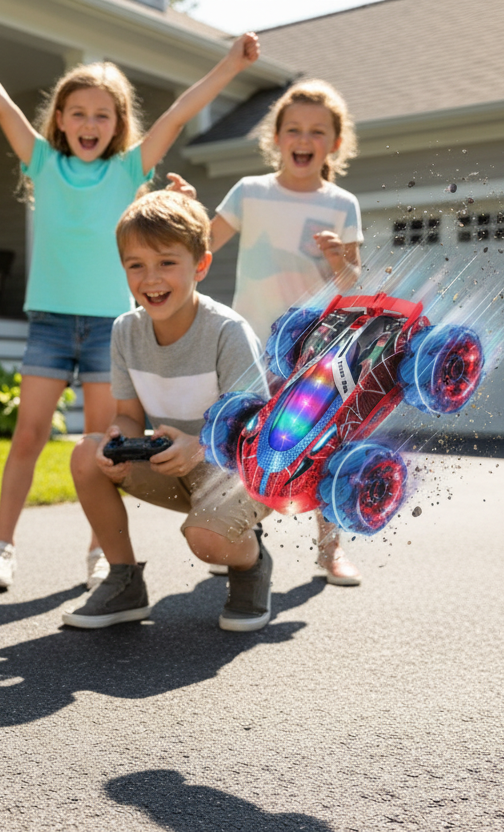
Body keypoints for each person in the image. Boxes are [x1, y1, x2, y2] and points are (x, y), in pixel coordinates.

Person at [0, 7, 259, 591]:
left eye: (101, 115)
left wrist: (231, 63)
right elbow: (1, 104)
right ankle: (1, 546)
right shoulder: (45, 162)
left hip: (113, 326)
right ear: (59, 119)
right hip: (52, 323)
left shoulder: (130, 168)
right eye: (77, 113)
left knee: (107, 441)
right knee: (28, 434)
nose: (89, 123)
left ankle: (98, 553)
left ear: (118, 124)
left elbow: (183, 111)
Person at [168, 79, 365, 587]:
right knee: (240, 442)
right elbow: (202, 242)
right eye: (293, 129)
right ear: (275, 138)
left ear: (335, 144)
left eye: (317, 131)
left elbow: (352, 282)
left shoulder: (342, 203)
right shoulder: (250, 192)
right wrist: (188, 205)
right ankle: (237, 536)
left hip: (313, 353)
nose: (304, 138)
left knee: (321, 446)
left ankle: (330, 549)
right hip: (247, 347)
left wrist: (337, 258)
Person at [62, 190, 274, 632]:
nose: (150, 278)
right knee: (87, 453)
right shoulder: (125, 330)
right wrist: (116, 440)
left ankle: (250, 562)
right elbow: (126, 415)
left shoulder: (226, 331)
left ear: (201, 265)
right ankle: (124, 582)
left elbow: (257, 427)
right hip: (167, 463)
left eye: (166, 262)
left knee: (208, 540)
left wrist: (198, 448)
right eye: (135, 264)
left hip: (238, 470)